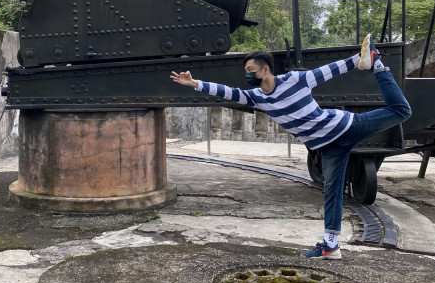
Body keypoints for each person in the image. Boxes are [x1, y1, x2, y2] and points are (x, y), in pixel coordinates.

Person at [170, 34, 411, 260]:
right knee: (332, 191)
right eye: (246, 71)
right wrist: (195, 83)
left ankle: (378, 66)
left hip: (345, 127)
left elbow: (329, 71)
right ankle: (330, 246)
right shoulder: (257, 97)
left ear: (265, 69)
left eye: (250, 70)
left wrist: (361, 59)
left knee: (401, 111)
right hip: (327, 147)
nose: (248, 75)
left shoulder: (295, 80)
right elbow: (229, 93)